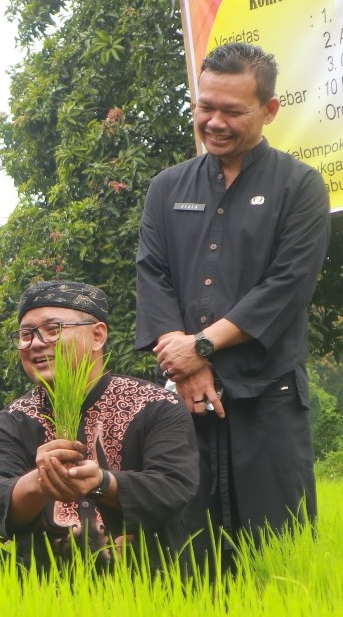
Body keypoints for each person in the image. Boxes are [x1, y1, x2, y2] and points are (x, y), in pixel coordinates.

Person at [136, 43, 331, 568]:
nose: (214, 122)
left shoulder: (300, 186)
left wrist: (202, 346)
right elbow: (152, 276)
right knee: (185, 549)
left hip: (268, 392)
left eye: (233, 111)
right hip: (181, 399)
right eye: (205, 107)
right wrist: (180, 362)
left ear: (269, 111)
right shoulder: (166, 187)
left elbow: (287, 285)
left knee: (277, 550)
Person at [0, 281, 199, 573]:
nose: (35, 343)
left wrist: (103, 482)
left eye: (52, 330)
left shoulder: (157, 405)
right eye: (25, 334)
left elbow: (173, 489)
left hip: (141, 578)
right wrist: (40, 481)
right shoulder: (12, 421)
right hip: (43, 585)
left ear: (98, 335)